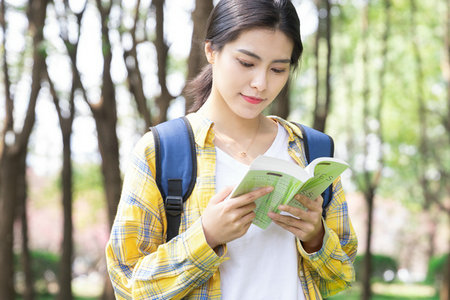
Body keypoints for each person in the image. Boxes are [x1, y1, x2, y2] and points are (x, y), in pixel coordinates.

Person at [105, 0, 358, 299]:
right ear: (211, 51)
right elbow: (128, 285)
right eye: (247, 63)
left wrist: (316, 238)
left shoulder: (310, 150)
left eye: (278, 69)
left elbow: (341, 277)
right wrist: (207, 236)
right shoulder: (162, 150)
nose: (261, 83)